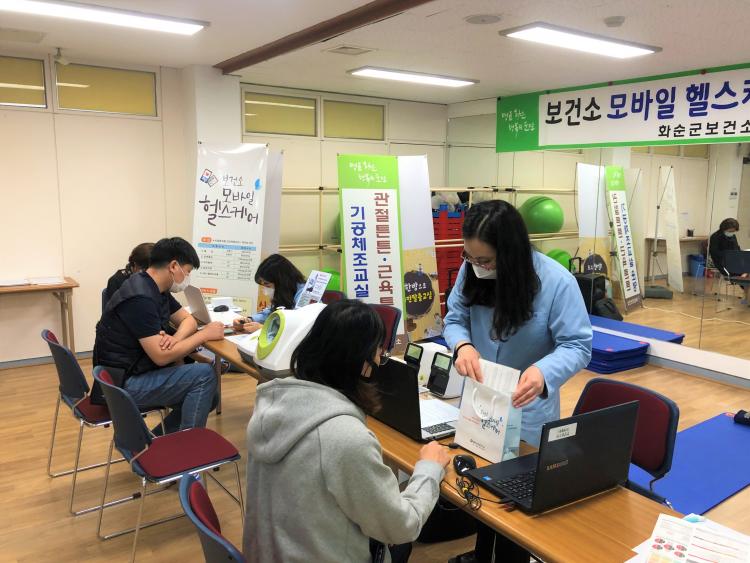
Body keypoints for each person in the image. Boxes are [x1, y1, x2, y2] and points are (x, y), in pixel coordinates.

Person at [242, 299, 450, 563]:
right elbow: (402, 527)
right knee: (400, 544)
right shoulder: (345, 438)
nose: (379, 360)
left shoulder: (271, 405)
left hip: (269, 553)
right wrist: (429, 469)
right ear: (362, 361)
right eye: (379, 353)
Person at [443, 200, 592, 563]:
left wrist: (543, 372)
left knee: (515, 506)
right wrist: (462, 345)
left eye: (485, 260)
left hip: (528, 408)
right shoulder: (472, 270)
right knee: (480, 490)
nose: (477, 267)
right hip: (480, 401)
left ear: (510, 253)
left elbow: (578, 345)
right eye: (470, 257)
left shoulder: (556, 282)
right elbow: (455, 317)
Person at [94, 237, 223, 433]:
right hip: (122, 384)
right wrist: (204, 335)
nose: (187, 277)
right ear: (174, 266)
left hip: (133, 371)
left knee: (210, 396)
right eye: (187, 271)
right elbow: (161, 357)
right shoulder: (140, 298)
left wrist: (175, 339)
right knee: (204, 376)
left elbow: (188, 320)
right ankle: (187, 447)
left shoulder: (153, 286)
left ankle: (158, 442)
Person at [233, 253, 306, 333]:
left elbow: (297, 328)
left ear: (281, 281)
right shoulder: (285, 293)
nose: (265, 290)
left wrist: (264, 329)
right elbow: (271, 312)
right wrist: (249, 320)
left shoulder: (304, 295)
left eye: (267, 285)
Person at [709, 218, 749, 302]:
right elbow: (714, 253)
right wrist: (729, 255)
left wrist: (741, 254)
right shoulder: (715, 237)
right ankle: (744, 277)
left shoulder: (733, 236)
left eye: (733, 231)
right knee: (742, 274)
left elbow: (736, 248)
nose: (732, 233)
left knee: (746, 270)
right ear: (724, 228)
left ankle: (746, 295)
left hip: (734, 261)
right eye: (730, 231)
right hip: (722, 262)